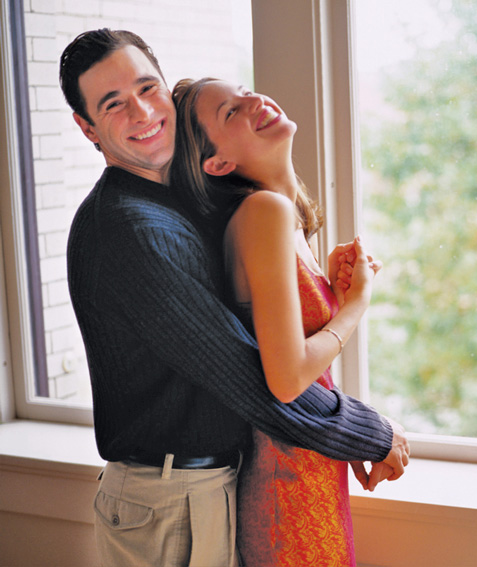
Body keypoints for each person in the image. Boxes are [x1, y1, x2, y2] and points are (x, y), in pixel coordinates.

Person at [60, 29, 409, 567]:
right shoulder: (129, 227)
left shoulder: (168, 206)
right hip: (168, 498)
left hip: (201, 484)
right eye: (113, 104)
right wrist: (370, 434)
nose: (142, 111)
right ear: (87, 128)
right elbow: (254, 377)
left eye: (148, 89)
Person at [168, 77, 399, 566]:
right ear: (218, 163)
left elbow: (283, 351)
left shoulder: (282, 215)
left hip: (307, 467)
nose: (255, 100)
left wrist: (331, 296)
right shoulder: (262, 213)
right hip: (286, 485)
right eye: (231, 112)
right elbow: (288, 378)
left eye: (246, 90)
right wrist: (357, 304)